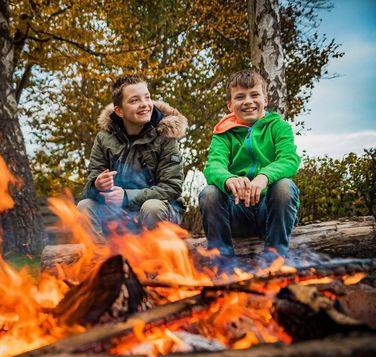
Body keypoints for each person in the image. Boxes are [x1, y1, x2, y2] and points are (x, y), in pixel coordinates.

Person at [199, 70, 301, 259]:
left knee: (284, 187)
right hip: (236, 213)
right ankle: (223, 262)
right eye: (240, 97)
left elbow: (289, 160)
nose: (248, 101)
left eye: (254, 95)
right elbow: (213, 166)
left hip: (270, 212)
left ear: (265, 99)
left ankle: (274, 259)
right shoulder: (223, 134)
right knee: (209, 193)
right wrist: (229, 179)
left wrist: (264, 177)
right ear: (230, 105)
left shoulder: (278, 127)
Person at [78, 75, 188, 237]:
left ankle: (156, 260)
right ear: (119, 110)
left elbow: (172, 187)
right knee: (84, 206)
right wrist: (97, 185)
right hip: (119, 214)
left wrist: (127, 196)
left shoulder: (165, 135)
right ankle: (100, 259)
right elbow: (89, 189)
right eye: (134, 100)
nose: (144, 104)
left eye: (147, 97)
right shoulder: (104, 138)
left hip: (160, 211)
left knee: (151, 208)